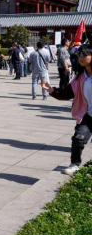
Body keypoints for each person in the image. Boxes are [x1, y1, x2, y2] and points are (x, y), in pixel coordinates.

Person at [42, 45, 92, 176]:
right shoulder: (79, 78)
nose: (80, 58)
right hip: (86, 114)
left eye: (84, 55)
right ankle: (74, 164)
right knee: (78, 139)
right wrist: (51, 90)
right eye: (79, 55)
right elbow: (66, 94)